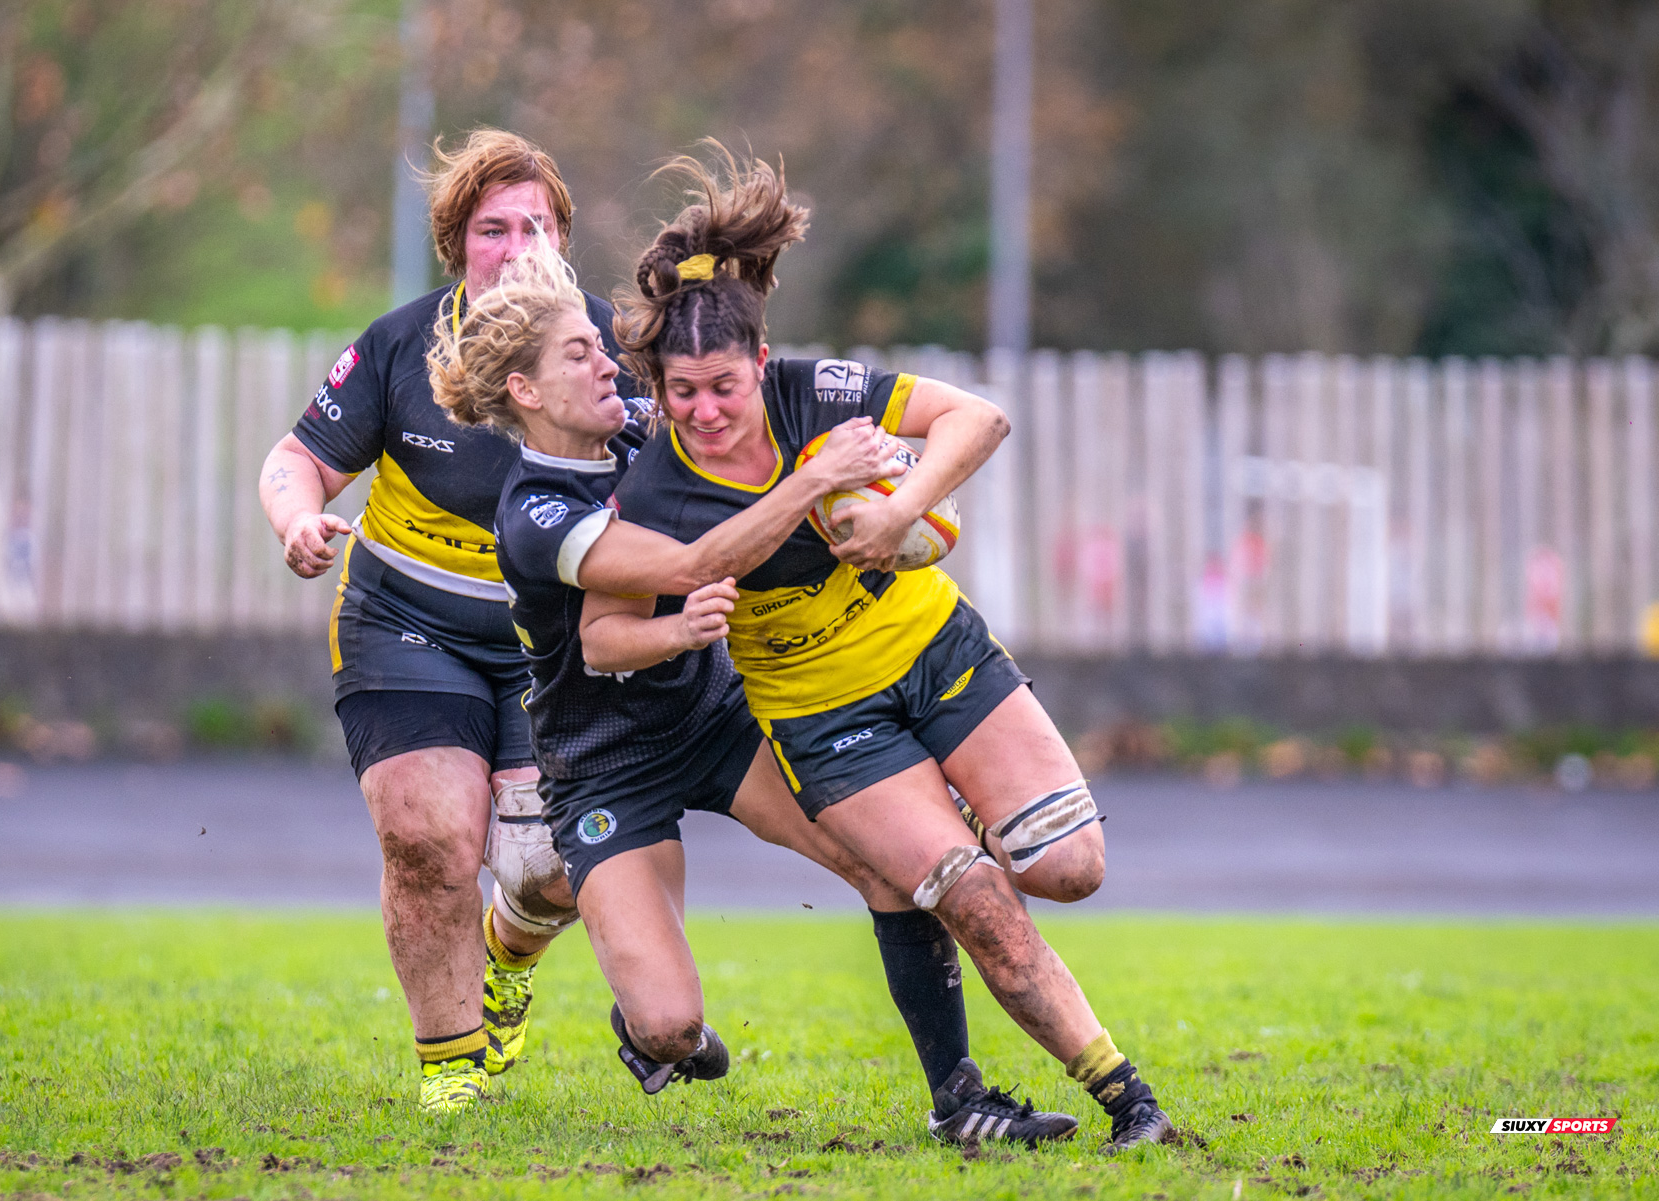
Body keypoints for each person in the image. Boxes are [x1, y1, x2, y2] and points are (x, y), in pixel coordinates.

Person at [427, 241, 1077, 1145]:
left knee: (894, 867)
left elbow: (738, 399)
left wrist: (884, 489)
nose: (607, 361)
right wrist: (814, 480)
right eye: (579, 354)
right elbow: (690, 569)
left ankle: (958, 1098)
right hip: (603, 763)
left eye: (600, 343)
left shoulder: (644, 428)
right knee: (671, 1028)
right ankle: (620, 1005)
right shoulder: (535, 513)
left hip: (716, 717)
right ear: (529, 394)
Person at [595, 147, 1175, 1152]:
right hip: (824, 720)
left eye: (723, 385)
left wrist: (898, 508)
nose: (705, 410)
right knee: (975, 898)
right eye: (682, 390)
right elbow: (603, 632)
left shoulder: (813, 393)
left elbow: (977, 417)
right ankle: (1130, 1104)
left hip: (938, 650)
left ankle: (947, 840)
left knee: (1068, 866)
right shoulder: (651, 491)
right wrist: (684, 621)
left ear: (759, 362)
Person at [257, 129, 616, 1114]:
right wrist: (297, 518)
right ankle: (451, 1072)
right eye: (492, 228)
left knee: (560, 869)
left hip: (554, 649)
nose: (515, 243)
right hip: (404, 622)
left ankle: (508, 952)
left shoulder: (611, 352)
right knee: (429, 839)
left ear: (563, 240)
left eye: (535, 224)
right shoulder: (399, 343)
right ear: (459, 244)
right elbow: (298, 459)